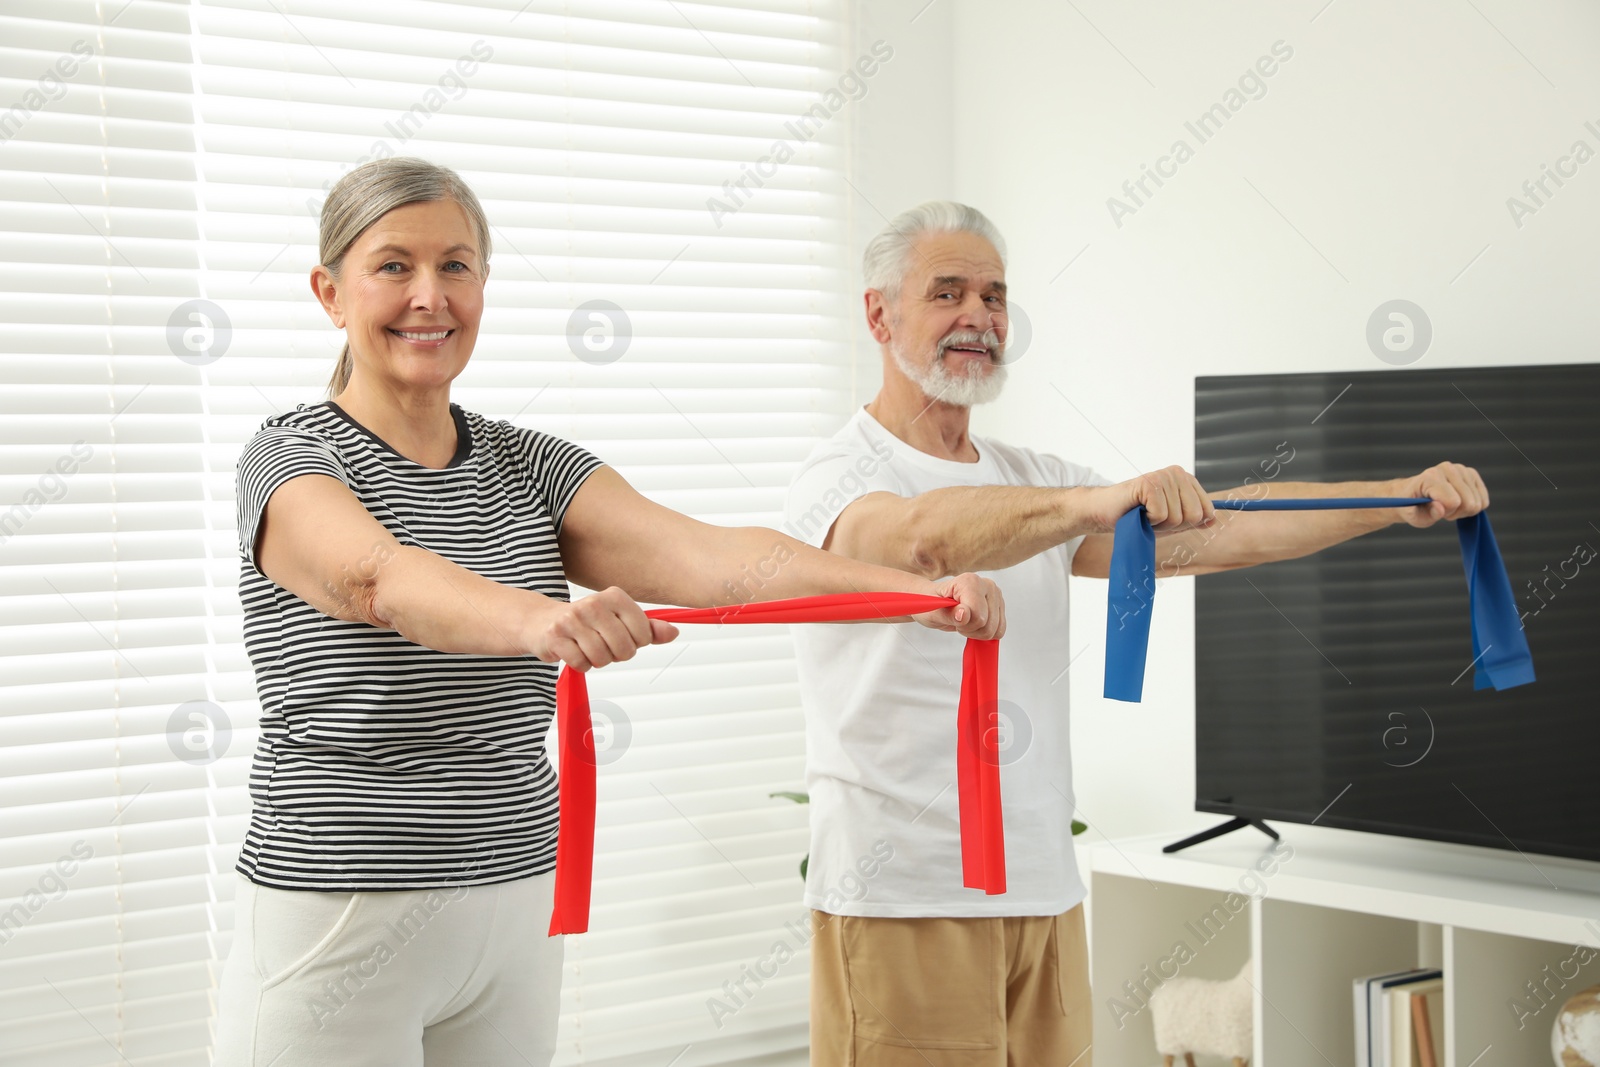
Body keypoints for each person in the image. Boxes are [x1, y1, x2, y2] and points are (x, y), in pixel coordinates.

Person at [213, 160, 1006, 1067]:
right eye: (393, 266)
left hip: (514, 898)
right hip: (343, 905)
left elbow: (710, 558)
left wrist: (911, 594)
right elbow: (375, 578)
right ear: (330, 291)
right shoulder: (291, 456)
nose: (429, 296)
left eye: (457, 266)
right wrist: (539, 620)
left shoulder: (528, 463)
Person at [784, 200, 1491, 1066]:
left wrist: (1394, 498)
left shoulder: (1029, 478)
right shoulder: (843, 472)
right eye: (949, 292)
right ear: (879, 313)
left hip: (1039, 892)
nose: (980, 316)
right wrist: (1097, 501)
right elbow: (919, 538)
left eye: (996, 296)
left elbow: (1222, 533)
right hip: (903, 899)